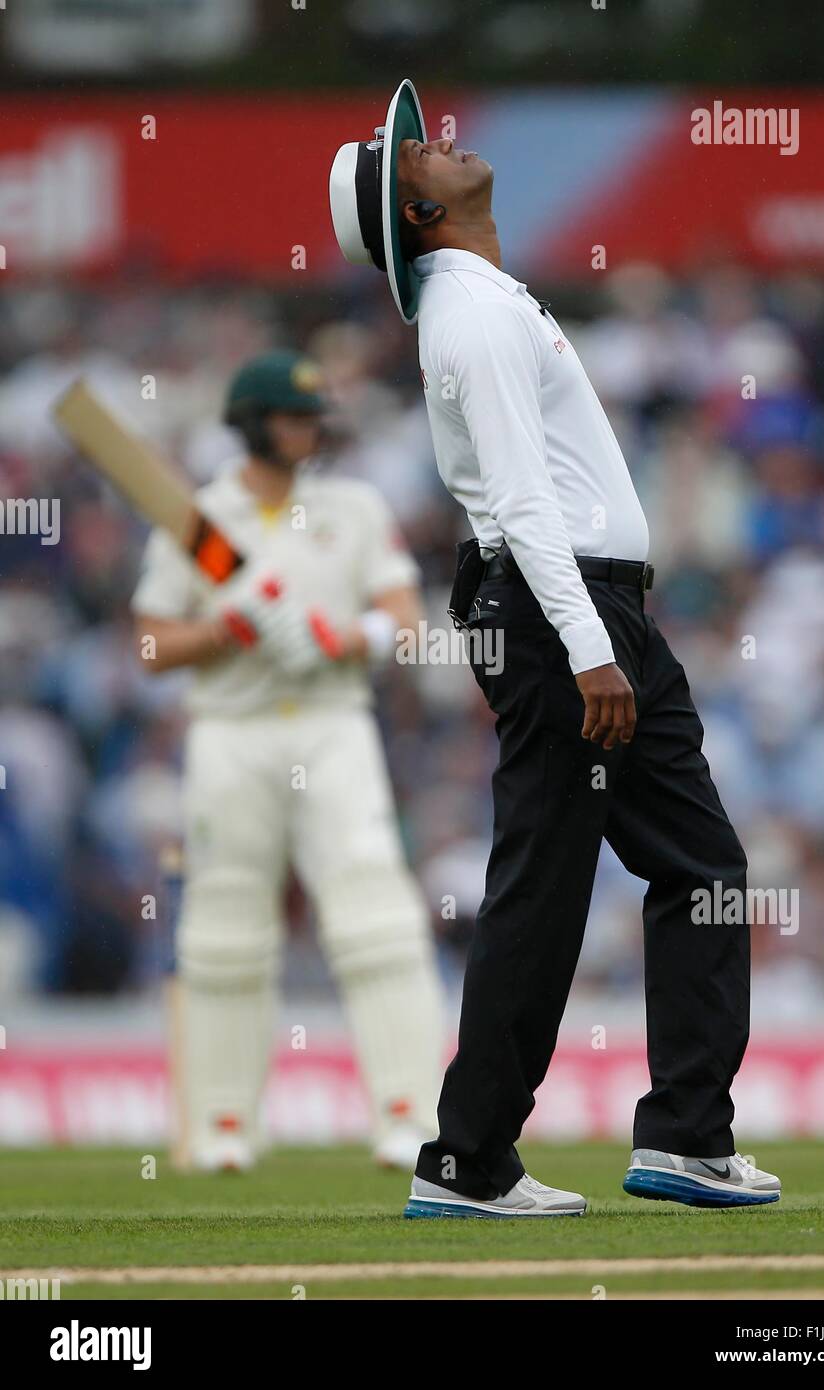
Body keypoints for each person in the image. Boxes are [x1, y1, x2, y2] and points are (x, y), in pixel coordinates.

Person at [329, 81, 780, 1216]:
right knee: (546, 884)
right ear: (416, 213)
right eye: (412, 154)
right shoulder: (472, 315)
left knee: (703, 868)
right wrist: (589, 649)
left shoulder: (482, 298)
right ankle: (469, 1159)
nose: (436, 143)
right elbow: (525, 507)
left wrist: (599, 633)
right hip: (560, 613)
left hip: (584, 610)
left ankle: (685, 1135)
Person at [131, 348, 444, 1172]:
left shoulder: (353, 506)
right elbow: (153, 643)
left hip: (335, 725)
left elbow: (407, 623)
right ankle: (224, 1125)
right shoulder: (199, 522)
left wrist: (345, 638)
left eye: (313, 419)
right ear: (250, 425)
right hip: (231, 733)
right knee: (227, 927)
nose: (307, 433)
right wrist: (225, 632)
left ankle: (411, 1114)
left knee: (376, 913)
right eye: (291, 418)